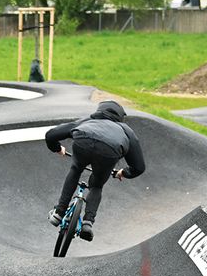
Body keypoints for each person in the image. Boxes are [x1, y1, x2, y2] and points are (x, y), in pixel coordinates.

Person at [45, 100, 145, 241]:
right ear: (120, 117)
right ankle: (88, 223)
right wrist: (124, 172)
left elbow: (50, 135)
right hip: (110, 150)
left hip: (83, 141)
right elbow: (139, 167)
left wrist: (57, 148)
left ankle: (59, 213)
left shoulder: (87, 121)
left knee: (76, 169)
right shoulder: (126, 130)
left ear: (99, 110)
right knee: (96, 185)